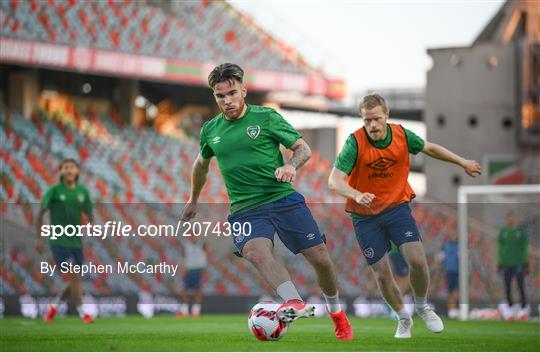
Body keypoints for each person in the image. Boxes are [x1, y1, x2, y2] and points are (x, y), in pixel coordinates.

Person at [181, 63, 352, 340]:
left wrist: (291, 166)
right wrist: (193, 199)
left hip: (281, 198)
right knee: (255, 253)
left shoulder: (266, 118)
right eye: (220, 96)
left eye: (232, 93)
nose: (227, 101)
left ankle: (336, 311)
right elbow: (200, 165)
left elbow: (302, 148)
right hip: (245, 209)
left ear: (244, 91)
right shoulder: (210, 131)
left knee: (320, 257)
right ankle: (294, 302)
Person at [328, 93, 481, 338]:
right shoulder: (354, 143)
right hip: (364, 216)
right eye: (367, 121)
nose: (372, 125)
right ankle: (403, 317)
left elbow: (430, 148)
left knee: (418, 261)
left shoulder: (401, 135)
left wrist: (462, 162)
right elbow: (334, 181)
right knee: (382, 274)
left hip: (396, 209)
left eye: (377, 119)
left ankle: (422, 307)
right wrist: (356, 195)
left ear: (386, 115)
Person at [36, 158, 95, 324]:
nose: (69, 170)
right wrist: (39, 238)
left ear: (77, 172)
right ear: (61, 171)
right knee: (75, 275)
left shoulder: (83, 192)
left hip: (76, 243)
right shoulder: (54, 191)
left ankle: (53, 307)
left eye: (72, 167)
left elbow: (89, 213)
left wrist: (91, 226)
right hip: (59, 241)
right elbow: (40, 213)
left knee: (74, 280)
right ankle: (84, 314)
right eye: (66, 167)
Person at [497, 211, 529, 321]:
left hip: (519, 263)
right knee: (507, 287)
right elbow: (500, 247)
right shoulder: (504, 231)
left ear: (515, 218)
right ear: (507, 218)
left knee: (520, 286)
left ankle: (524, 308)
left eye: (512, 217)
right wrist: (500, 261)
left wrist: (526, 261)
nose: (510, 219)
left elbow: (525, 247)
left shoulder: (521, 231)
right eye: (509, 217)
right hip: (507, 264)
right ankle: (510, 309)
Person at [177, 236, 208, 318]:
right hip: (189, 270)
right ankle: (184, 311)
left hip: (198, 270)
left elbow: (206, 244)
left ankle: (195, 311)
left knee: (198, 292)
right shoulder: (186, 246)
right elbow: (183, 256)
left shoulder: (201, 245)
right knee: (185, 292)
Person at [439, 231, 459, 319]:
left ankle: (454, 309)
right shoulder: (446, 245)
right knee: (451, 291)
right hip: (449, 271)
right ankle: (451, 310)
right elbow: (441, 257)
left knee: (456, 291)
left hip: (459, 271)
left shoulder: (460, 245)